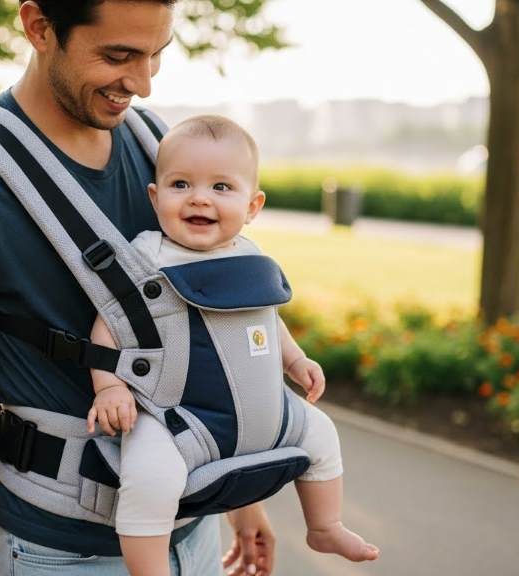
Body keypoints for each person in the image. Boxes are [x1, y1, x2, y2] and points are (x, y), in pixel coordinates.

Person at [0, 1, 276, 574]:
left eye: (155, 55)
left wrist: (241, 500)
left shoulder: (158, 147)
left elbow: (207, 330)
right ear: (39, 27)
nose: (141, 83)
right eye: (118, 56)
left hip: (194, 531)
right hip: (61, 553)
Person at [86, 115, 380, 576]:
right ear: (155, 197)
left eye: (221, 187)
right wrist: (109, 388)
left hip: (266, 413)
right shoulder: (146, 256)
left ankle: (325, 525)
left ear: (252, 205)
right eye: (181, 184)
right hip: (177, 421)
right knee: (148, 477)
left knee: (321, 432)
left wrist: (295, 360)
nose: (199, 198)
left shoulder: (250, 256)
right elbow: (107, 328)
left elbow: (266, 318)